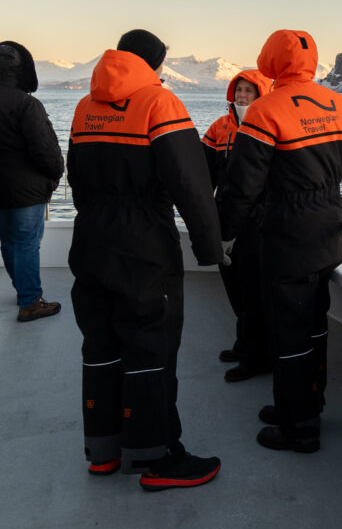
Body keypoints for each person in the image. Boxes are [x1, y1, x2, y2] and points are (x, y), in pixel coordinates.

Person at [66, 29, 224, 490]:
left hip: (90, 238)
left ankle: (103, 450)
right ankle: (158, 458)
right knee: (149, 344)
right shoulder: (159, 103)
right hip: (143, 245)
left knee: (99, 345)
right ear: (155, 63)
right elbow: (190, 184)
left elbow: (76, 175)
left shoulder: (84, 107)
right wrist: (210, 248)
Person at [216, 29, 342, 453]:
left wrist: (224, 234)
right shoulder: (338, 102)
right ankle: (307, 403)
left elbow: (241, 186)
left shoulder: (265, 111)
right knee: (314, 324)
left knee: (289, 332)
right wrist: (323, 169)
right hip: (327, 230)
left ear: (270, 60)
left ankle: (298, 426)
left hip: (287, 235)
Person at [0, 40, 63, 322]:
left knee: (10, 243)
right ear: (18, 70)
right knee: (28, 243)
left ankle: (24, 292)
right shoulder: (26, 104)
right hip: (27, 191)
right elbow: (45, 150)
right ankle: (30, 302)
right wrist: (56, 174)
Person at [201, 68, 273, 382]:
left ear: (261, 95)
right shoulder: (219, 128)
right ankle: (245, 343)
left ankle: (254, 355)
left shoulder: (270, 126)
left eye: (249, 91)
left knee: (252, 289)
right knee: (234, 286)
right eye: (239, 90)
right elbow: (205, 174)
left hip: (258, 224)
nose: (242, 96)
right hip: (226, 221)